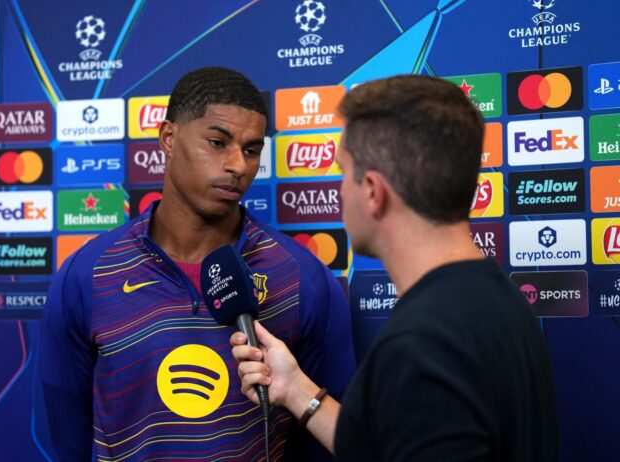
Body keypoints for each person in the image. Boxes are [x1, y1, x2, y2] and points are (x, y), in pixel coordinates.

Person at [231, 74, 560, 461]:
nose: (340, 192)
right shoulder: (497, 298)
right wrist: (295, 389)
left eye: (343, 174)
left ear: (373, 192)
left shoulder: (423, 346)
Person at [38, 66, 356, 461]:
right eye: (217, 142)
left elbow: (327, 437)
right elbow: (68, 434)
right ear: (168, 138)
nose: (238, 166)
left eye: (251, 150)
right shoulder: (88, 274)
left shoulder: (302, 278)